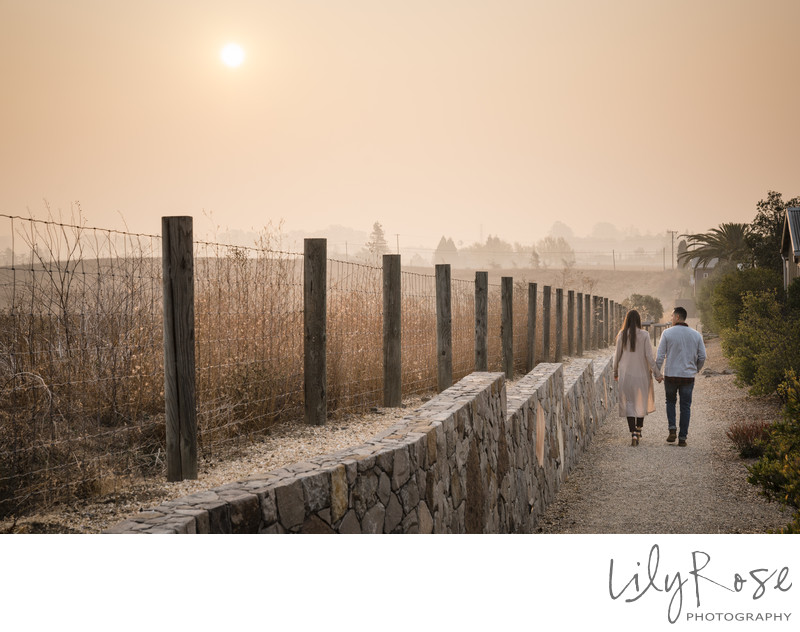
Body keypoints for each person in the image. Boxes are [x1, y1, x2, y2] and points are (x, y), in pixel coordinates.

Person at [655, 306, 706, 447]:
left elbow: (659, 357)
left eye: (672, 316)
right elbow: (703, 356)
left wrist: (657, 373)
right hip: (688, 377)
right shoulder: (696, 335)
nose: (670, 318)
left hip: (671, 375)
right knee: (685, 406)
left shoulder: (667, 333)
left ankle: (672, 429)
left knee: (670, 402)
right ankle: (682, 438)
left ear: (677, 317)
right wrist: (696, 369)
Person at [614, 309, 663, 446]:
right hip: (641, 374)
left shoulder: (622, 335)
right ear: (639, 320)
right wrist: (657, 374)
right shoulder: (645, 335)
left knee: (629, 402)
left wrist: (615, 372)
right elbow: (649, 357)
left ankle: (633, 432)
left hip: (626, 375)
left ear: (627, 320)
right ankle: (639, 429)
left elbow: (616, 356)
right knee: (641, 401)